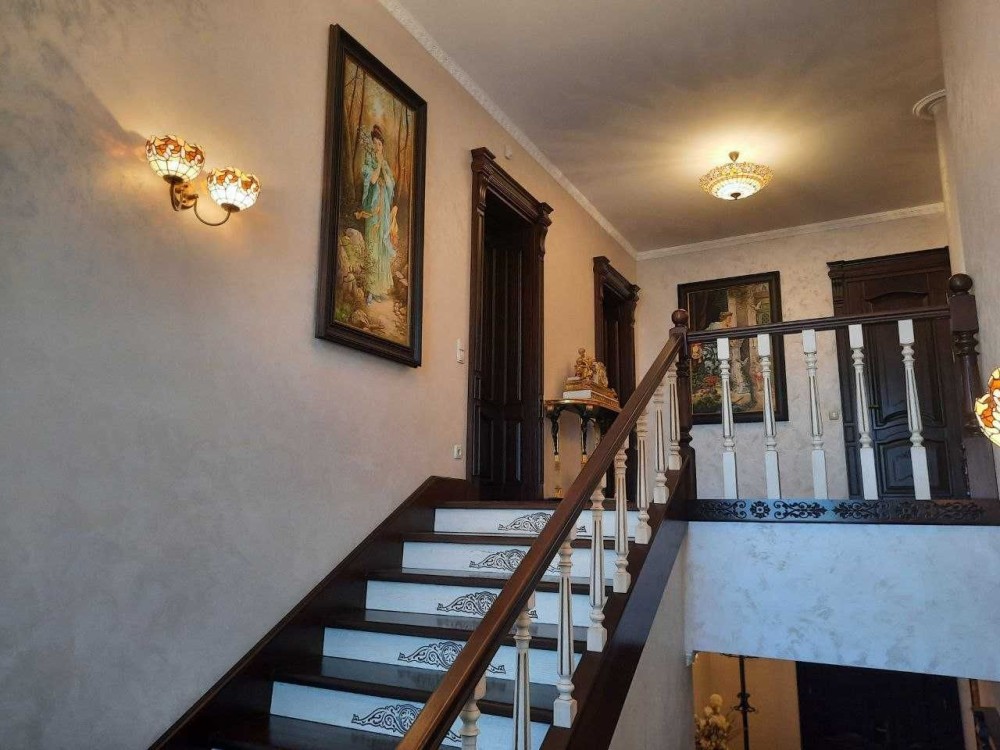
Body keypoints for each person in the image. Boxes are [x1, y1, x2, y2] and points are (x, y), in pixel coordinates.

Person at [357, 124, 398, 302]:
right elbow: (372, 180)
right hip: (373, 211)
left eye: (379, 144)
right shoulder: (368, 163)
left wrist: (383, 168)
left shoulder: (385, 164)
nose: (377, 147)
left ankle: (379, 289)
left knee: (381, 247)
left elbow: (390, 185)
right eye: (374, 144)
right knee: (372, 245)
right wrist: (378, 165)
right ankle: (370, 290)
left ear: (382, 146)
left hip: (384, 209)